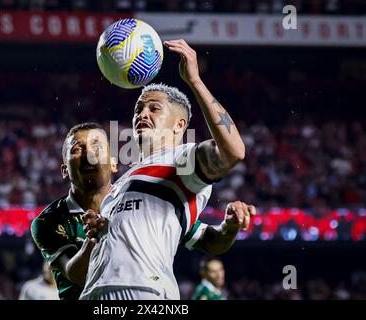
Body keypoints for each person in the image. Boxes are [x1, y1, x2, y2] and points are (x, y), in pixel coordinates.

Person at [80, 39, 255, 300]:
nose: (142, 114)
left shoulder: (182, 160)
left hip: (143, 292)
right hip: (94, 294)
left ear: (179, 125)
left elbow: (233, 152)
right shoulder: (124, 181)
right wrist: (103, 227)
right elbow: (207, 240)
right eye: (139, 108)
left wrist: (195, 81)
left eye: (154, 108)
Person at [30, 122, 117, 300]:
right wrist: (93, 239)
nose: (89, 154)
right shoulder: (48, 221)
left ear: (113, 163)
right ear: (64, 171)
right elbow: (78, 276)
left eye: (97, 146)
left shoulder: (138, 203)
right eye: (77, 149)